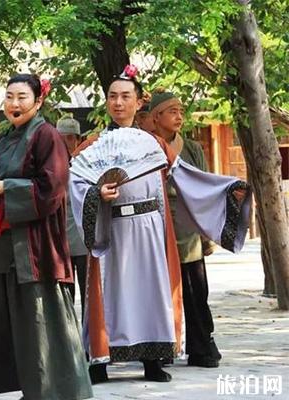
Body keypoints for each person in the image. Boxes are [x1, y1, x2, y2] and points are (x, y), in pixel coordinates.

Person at [69, 66, 251, 384]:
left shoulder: (154, 145)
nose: (118, 102)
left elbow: (186, 178)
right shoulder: (92, 145)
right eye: (113, 96)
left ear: (139, 102)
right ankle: (99, 361)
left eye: (126, 96)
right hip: (110, 228)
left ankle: (152, 360)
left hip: (150, 228)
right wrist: (98, 192)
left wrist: (225, 189)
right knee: (107, 295)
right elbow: (77, 183)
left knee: (150, 292)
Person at [0, 74, 93, 399]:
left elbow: (51, 189)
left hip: (36, 247)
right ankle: (32, 389)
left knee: (42, 321)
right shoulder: (6, 138)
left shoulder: (47, 136)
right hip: (7, 245)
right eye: (9, 97)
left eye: (22, 97)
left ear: (38, 101)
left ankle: (58, 391)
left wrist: (6, 188)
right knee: (17, 324)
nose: (14, 104)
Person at [151, 90, 222, 368]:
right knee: (160, 292)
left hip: (188, 227)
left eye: (181, 111)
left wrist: (207, 235)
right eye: (172, 111)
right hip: (156, 225)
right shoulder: (146, 145)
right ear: (156, 117)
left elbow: (205, 189)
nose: (179, 116)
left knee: (195, 291)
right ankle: (162, 348)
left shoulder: (191, 148)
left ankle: (201, 347)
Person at [56, 116, 88, 317]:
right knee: (64, 296)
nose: (66, 143)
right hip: (60, 241)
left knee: (88, 295)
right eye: (61, 138)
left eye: (70, 138)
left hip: (83, 239)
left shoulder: (84, 164)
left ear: (77, 139)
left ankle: (90, 343)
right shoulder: (50, 165)